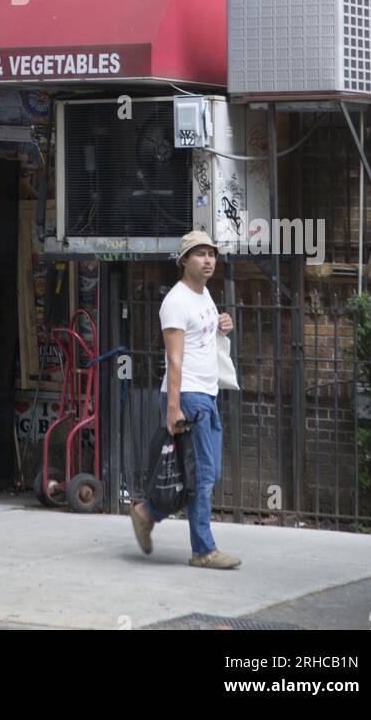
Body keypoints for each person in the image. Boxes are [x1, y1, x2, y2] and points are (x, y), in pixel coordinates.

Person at [130, 231, 241, 569]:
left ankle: (148, 512)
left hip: (207, 394)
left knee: (205, 474)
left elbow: (203, 339)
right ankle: (203, 550)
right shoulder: (176, 302)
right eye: (199, 254)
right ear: (183, 261)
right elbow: (174, 360)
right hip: (189, 397)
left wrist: (223, 325)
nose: (208, 260)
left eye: (211, 254)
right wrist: (174, 408)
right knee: (202, 475)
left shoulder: (204, 295)